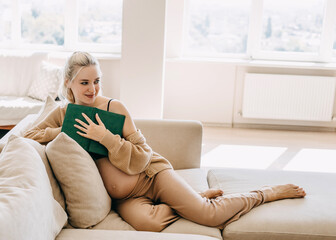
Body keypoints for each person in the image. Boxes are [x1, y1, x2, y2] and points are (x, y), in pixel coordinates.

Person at [23, 51, 306, 231]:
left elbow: (143, 154)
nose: (92, 88)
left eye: (97, 81)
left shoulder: (114, 108)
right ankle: (189, 201)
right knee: (150, 223)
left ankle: (266, 193)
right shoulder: (63, 114)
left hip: (151, 176)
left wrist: (107, 138)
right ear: (68, 84)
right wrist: (64, 132)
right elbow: (28, 136)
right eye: (84, 82)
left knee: (209, 216)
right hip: (125, 198)